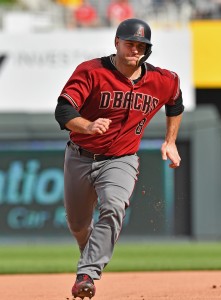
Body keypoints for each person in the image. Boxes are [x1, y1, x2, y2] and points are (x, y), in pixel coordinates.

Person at [55, 18, 184, 299]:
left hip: (121, 159)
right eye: (130, 43)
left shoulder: (163, 80)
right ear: (116, 42)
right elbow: (63, 111)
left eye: (141, 45)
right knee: (78, 225)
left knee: (114, 206)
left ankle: (86, 275)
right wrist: (87, 125)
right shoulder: (91, 71)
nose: (135, 49)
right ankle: (90, 251)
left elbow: (176, 101)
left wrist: (170, 140)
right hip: (80, 156)